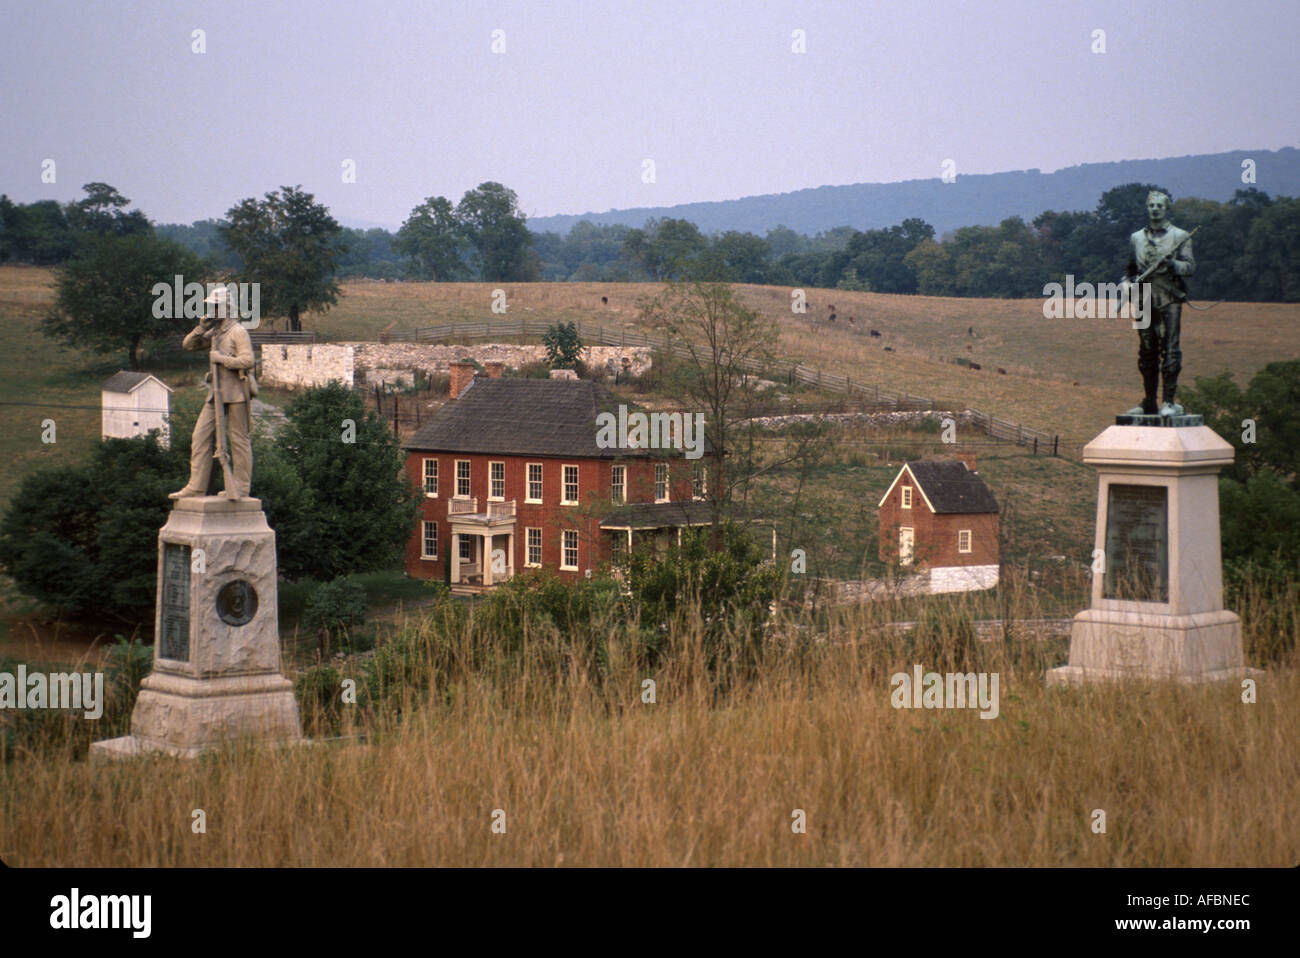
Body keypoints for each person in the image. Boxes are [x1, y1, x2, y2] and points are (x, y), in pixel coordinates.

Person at [169, 286, 255, 499]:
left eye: (215, 307)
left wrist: (221, 359)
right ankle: (196, 486)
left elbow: (248, 360)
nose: (211, 310)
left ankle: (242, 487)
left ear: (226, 307)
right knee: (200, 437)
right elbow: (188, 345)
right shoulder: (215, 333)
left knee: (238, 440)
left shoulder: (238, 331)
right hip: (216, 393)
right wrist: (200, 328)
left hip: (236, 392)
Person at [1124, 190, 1195, 417]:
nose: (1155, 209)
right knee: (1146, 351)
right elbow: (1130, 271)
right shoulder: (1136, 238)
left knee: (1170, 349)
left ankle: (1169, 401)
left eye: (1159, 206)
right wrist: (1126, 284)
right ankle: (1149, 401)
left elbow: (1190, 267)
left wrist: (1174, 264)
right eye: (1151, 206)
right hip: (1144, 298)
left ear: (1166, 208)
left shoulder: (1180, 236)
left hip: (1169, 297)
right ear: (1147, 208)